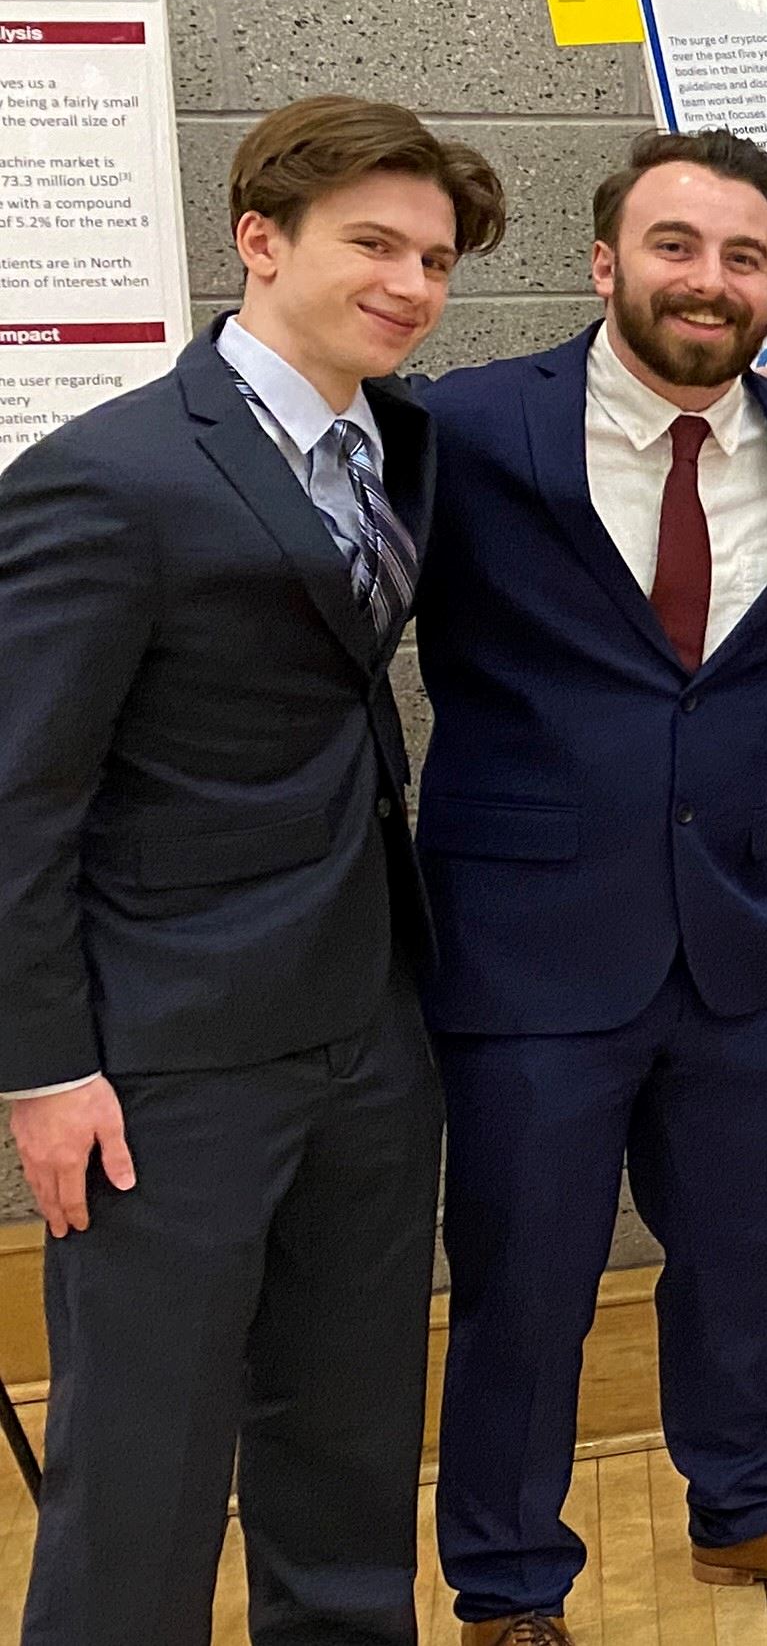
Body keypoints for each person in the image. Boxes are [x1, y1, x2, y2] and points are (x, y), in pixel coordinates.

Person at [412, 132, 767, 1643]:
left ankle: (750, 1505)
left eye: (743, 256)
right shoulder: (463, 429)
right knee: (526, 1289)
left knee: (739, 1257)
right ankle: (509, 1590)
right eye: (676, 245)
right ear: (604, 263)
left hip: (741, 942)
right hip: (528, 949)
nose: (709, 280)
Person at [0, 98, 503, 1645]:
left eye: (434, 261)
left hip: (367, 1016)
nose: (410, 284)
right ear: (260, 240)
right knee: (144, 1456)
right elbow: (17, 797)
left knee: (351, 1422)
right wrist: (43, 1069)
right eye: (374, 245)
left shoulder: (401, 443)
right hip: (169, 1056)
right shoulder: (109, 477)